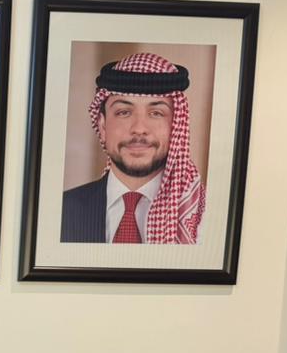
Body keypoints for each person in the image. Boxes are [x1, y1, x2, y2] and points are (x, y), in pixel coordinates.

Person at [61, 52, 205, 244]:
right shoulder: (61, 211)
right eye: (124, 112)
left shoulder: (203, 217)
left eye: (156, 113)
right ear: (102, 127)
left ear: (176, 126)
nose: (138, 128)